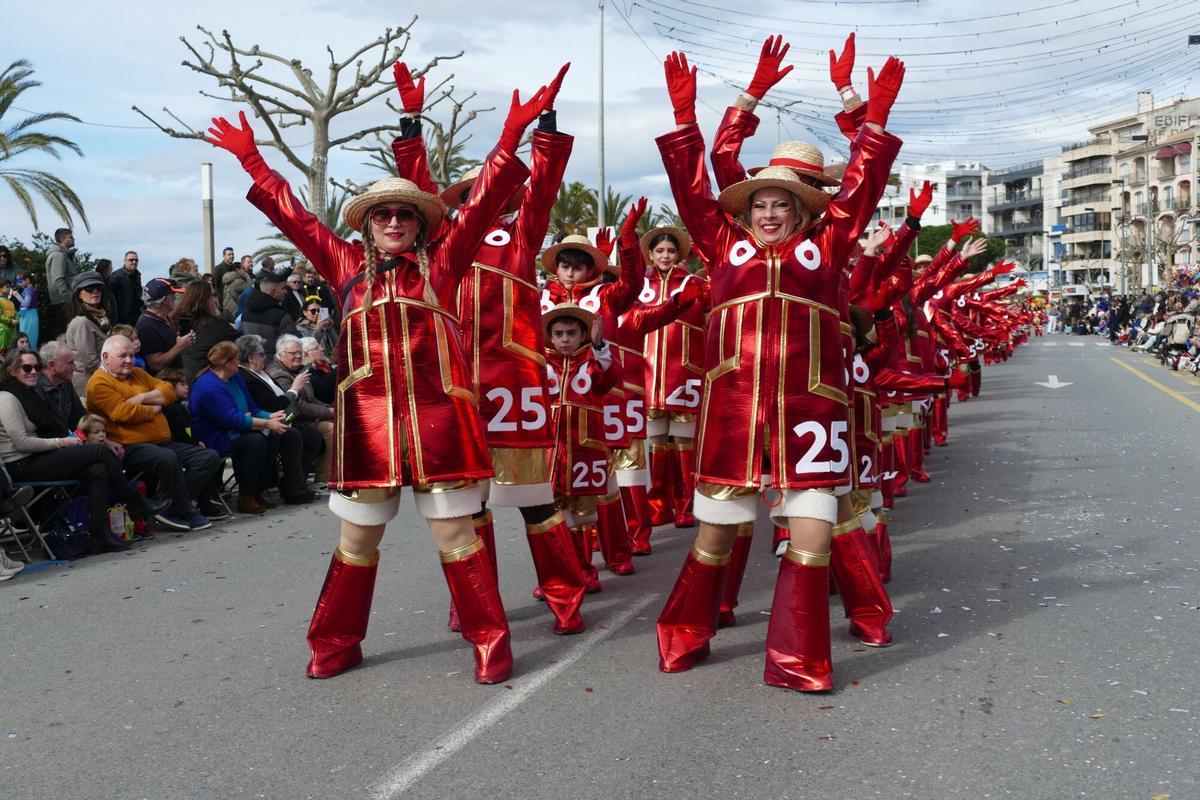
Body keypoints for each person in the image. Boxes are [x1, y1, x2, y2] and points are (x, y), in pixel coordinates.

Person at [205, 76, 539, 682]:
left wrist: (512, 134)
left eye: (404, 214)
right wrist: (250, 158)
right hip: (369, 427)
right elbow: (292, 212)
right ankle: (334, 643)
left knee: (455, 533)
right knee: (357, 543)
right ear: (368, 223)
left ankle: (490, 642)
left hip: (441, 424)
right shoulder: (343, 266)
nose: (393, 221)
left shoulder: (445, 262)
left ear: (419, 223)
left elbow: (488, 196)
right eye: (382, 213)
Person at [653, 43, 903, 691]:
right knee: (714, 542)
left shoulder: (829, 248)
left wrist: (867, 115)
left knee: (813, 541)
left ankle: (797, 661)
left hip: (812, 419)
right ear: (747, 211)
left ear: (801, 212)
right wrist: (698, 114)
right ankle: (686, 631)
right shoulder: (720, 245)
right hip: (732, 418)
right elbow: (694, 183)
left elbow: (864, 185)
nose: (770, 213)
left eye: (783, 205)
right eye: (761, 203)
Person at [0, 348, 169, 554]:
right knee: (98, 452)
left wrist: (97, 441)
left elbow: (75, 421)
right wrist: (62, 442)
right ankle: (136, 502)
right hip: (21, 464)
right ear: (11, 370)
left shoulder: (31, 393)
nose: (33, 371)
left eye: (37, 367)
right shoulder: (7, 398)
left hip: (39, 457)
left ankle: (100, 536)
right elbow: (22, 443)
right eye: (26, 367)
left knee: (99, 469)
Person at [86, 334, 223, 531]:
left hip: (162, 441)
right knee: (167, 458)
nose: (129, 360)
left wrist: (142, 397)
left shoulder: (138, 374)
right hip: (128, 445)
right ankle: (184, 509)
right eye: (122, 356)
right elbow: (123, 413)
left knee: (209, 457)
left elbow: (168, 389)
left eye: (132, 356)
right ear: (106, 357)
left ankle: (170, 506)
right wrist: (155, 406)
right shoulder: (98, 383)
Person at [543, 303, 620, 591]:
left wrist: (600, 345)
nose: (565, 339)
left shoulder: (593, 363)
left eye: (572, 333)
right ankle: (556, 577)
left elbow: (613, 377)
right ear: (550, 336)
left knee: (583, 517)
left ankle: (585, 571)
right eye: (559, 333)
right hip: (549, 454)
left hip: (585, 452)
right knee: (549, 517)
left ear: (583, 335)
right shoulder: (541, 364)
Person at [189, 341, 308, 513]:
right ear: (227, 363)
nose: (240, 363)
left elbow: (252, 408)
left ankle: (259, 490)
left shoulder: (235, 377)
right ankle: (246, 496)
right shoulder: (209, 387)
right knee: (256, 441)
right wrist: (267, 423)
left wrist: (271, 416)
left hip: (238, 427)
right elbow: (232, 420)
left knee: (276, 435)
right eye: (237, 359)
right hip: (216, 435)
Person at [237, 334, 325, 493]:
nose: (266, 357)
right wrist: (294, 389)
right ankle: (295, 490)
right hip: (268, 421)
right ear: (250, 358)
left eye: (300, 353)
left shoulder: (262, 373)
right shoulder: (249, 377)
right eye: (262, 354)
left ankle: (297, 484)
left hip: (287, 417)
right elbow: (274, 404)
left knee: (312, 436)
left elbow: (303, 402)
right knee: (299, 435)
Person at [266, 334, 333, 486]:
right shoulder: (279, 374)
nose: (298, 357)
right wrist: (328, 412)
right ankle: (323, 477)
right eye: (293, 353)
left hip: (305, 418)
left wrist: (330, 409)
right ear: (281, 355)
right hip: (292, 419)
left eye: (299, 353)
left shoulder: (300, 370)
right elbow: (297, 406)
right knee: (330, 429)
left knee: (339, 421)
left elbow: (312, 399)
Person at [172, 280, 239, 378]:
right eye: (213, 294)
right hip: (205, 377)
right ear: (205, 299)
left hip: (184, 377)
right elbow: (243, 341)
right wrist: (219, 317)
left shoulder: (179, 320)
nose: (215, 298)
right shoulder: (215, 325)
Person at [63, 271, 112, 399]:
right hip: (88, 387)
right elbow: (91, 362)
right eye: (89, 289)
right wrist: (115, 378)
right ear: (79, 294)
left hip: (99, 381)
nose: (95, 292)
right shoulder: (82, 322)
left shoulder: (101, 318)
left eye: (98, 288)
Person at [136, 278, 194, 374]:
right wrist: (180, 346)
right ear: (165, 300)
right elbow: (155, 365)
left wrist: (179, 340)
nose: (175, 298)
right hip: (164, 383)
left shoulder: (161, 318)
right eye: (173, 295)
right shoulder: (147, 327)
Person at [242, 273, 293, 355]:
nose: (286, 292)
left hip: (253, 362)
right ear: (273, 291)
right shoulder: (281, 316)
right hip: (277, 363)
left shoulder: (245, 313)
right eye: (283, 288)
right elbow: (294, 343)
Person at [44, 228, 76, 338]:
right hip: (63, 301)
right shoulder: (58, 255)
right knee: (63, 332)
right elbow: (58, 280)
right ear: (63, 239)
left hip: (63, 300)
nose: (73, 239)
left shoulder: (63, 255)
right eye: (70, 237)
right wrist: (68, 298)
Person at [297, 335, 336, 406]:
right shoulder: (306, 372)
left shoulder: (323, 364)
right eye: (316, 348)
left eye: (320, 346)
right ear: (306, 354)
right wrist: (339, 370)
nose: (322, 349)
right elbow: (326, 393)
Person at [109, 251, 145, 326]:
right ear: (125, 261)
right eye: (131, 260)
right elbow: (110, 298)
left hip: (135, 317)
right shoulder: (116, 277)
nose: (134, 262)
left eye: (136, 260)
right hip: (121, 319)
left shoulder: (137, 276)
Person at [222, 255, 254, 322]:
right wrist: (247, 276)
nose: (244, 270)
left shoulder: (229, 279)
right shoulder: (238, 281)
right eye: (242, 268)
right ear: (238, 270)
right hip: (234, 312)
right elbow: (250, 288)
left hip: (228, 310)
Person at [15, 271, 38, 350]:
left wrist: (17, 295)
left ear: (27, 280)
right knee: (26, 335)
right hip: (29, 314)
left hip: (29, 315)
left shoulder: (28, 290)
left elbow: (26, 303)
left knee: (27, 336)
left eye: (19, 281)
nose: (18, 283)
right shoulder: (29, 289)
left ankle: (28, 354)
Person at [0, 279, 17, 353]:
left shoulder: (11, 302)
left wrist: (17, 320)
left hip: (12, 331)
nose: (9, 289)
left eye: (10, 287)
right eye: (7, 287)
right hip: (2, 332)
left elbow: (15, 314)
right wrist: (10, 321)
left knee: (10, 353)